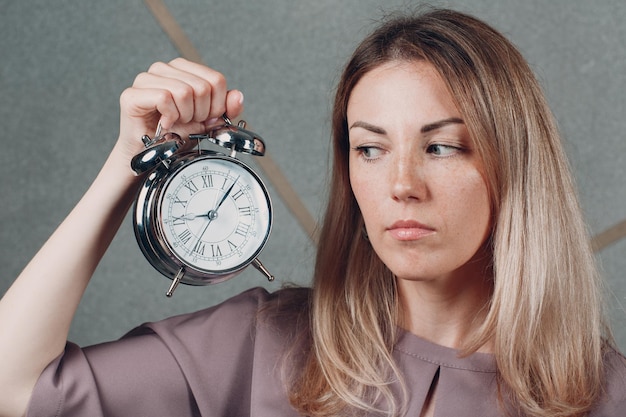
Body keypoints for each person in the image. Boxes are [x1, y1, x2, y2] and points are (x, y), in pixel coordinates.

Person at [0, 7, 624, 417]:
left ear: (515, 162)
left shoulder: (608, 396)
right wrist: (127, 164)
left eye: (440, 146)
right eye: (370, 149)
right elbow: (14, 389)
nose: (401, 184)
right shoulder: (264, 343)